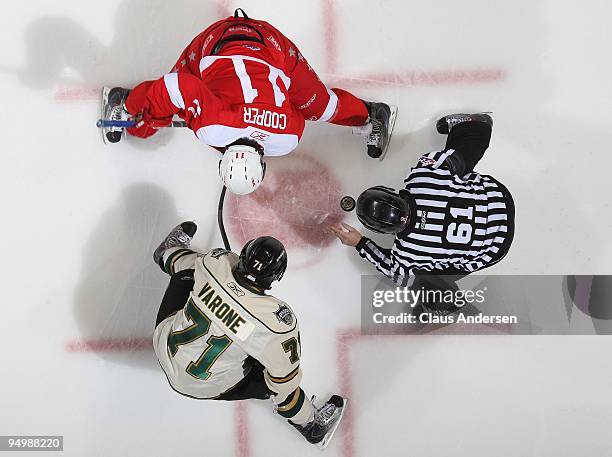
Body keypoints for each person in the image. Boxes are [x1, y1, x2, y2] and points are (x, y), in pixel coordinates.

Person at [102, 8, 396, 195]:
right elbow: (177, 86)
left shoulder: (287, 140)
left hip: (261, 44)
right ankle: (125, 105)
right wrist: (162, 114)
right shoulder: (212, 126)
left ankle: (371, 116)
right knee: (162, 108)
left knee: (319, 108)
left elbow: (294, 110)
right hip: (236, 41)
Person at [151, 221, 347, 449]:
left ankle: (167, 253)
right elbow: (283, 385)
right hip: (203, 386)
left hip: (164, 346)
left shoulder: (215, 262)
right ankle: (312, 426)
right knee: (278, 382)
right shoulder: (275, 323)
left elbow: (224, 263)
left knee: (189, 269)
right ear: (277, 276)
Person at [330, 113, 515, 313]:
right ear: (392, 193)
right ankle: (476, 127)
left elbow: (398, 274)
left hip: (494, 248)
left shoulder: (407, 254)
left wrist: (360, 242)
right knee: (455, 165)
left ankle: (441, 301)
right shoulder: (421, 177)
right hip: (498, 199)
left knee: (421, 278)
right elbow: (446, 160)